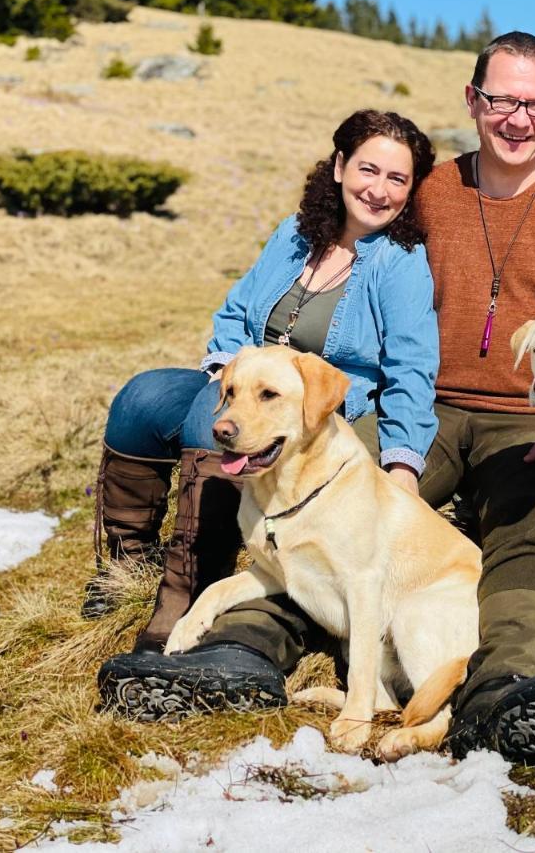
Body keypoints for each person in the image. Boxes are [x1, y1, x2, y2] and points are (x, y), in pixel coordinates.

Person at [98, 33, 535, 766]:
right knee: (308, 511)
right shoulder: (432, 190)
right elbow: (354, 235)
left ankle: (505, 687)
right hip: (420, 406)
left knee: (528, 533)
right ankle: (237, 654)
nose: (518, 118)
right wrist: (389, 453)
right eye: (501, 100)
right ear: (472, 100)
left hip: (532, 420)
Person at [85, 109, 439, 662]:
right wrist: (226, 378)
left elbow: (413, 368)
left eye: (398, 179)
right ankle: (128, 562)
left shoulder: (400, 262)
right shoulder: (297, 234)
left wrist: (402, 462)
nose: (379, 190)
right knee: (142, 398)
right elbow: (234, 313)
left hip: (319, 416)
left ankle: (188, 588)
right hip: (244, 382)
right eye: (369, 169)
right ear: (341, 166)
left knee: (210, 423)